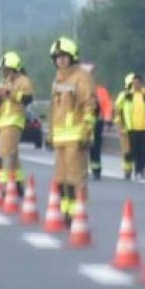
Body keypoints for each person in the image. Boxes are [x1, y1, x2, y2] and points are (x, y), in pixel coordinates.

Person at [48, 38, 98, 222]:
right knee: (61, 178)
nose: (60, 60)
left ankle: (77, 213)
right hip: (60, 137)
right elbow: (54, 108)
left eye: (64, 57)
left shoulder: (82, 77)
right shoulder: (57, 80)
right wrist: (50, 133)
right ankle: (66, 211)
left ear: (72, 58)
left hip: (76, 135)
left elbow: (90, 106)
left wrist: (87, 130)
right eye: (57, 57)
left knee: (75, 177)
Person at [0, 51, 36, 199]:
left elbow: (27, 98)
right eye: (3, 70)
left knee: (4, 155)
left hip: (13, 121)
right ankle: (18, 183)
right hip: (3, 121)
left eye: (7, 70)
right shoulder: (4, 82)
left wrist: (10, 93)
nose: (4, 73)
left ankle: (4, 186)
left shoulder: (23, 81)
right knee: (13, 156)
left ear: (15, 68)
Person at [117, 73, 145, 180]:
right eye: (134, 83)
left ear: (142, 83)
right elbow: (117, 108)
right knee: (136, 151)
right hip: (132, 128)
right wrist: (121, 125)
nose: (136, 85)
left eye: (138, 83)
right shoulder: (126, 96)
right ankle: (138, 170)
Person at [86, 65, 114, 181]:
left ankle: (96, 170)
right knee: (80, 148)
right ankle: (80, 170)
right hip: (80, 124)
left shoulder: (101, 91)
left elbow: (107, 106)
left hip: (97, 123)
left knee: (95, 147)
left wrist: (108, 121)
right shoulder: (77, 90)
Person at [115, 73, 137, 179]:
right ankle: (127, 170)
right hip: (125, 128)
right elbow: (117, 112)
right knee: (127, 151)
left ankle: (140, 169)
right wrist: (120, 126)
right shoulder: (123, 97)